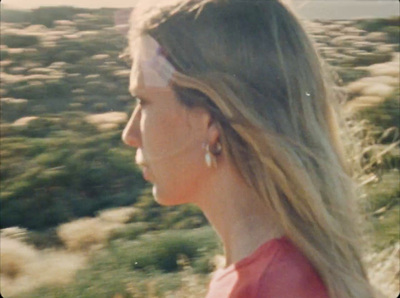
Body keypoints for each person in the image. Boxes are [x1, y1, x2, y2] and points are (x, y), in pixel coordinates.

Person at [121, 0, 375, 297]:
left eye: (144, 102)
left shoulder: (264, 286)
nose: (130, 134)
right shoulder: (275, 270)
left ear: (210, 122)